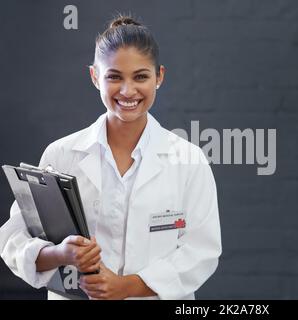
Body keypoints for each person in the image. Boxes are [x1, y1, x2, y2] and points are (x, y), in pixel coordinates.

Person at [0, 15, 222, 300]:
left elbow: (201, 253)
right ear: (95, 77)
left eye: (141, 76)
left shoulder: (189, 160)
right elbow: (13, 239)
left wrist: (126, 286)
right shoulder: (61, 155)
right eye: (114, 77)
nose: (128, 91)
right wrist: (59, 254)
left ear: (159, 77)